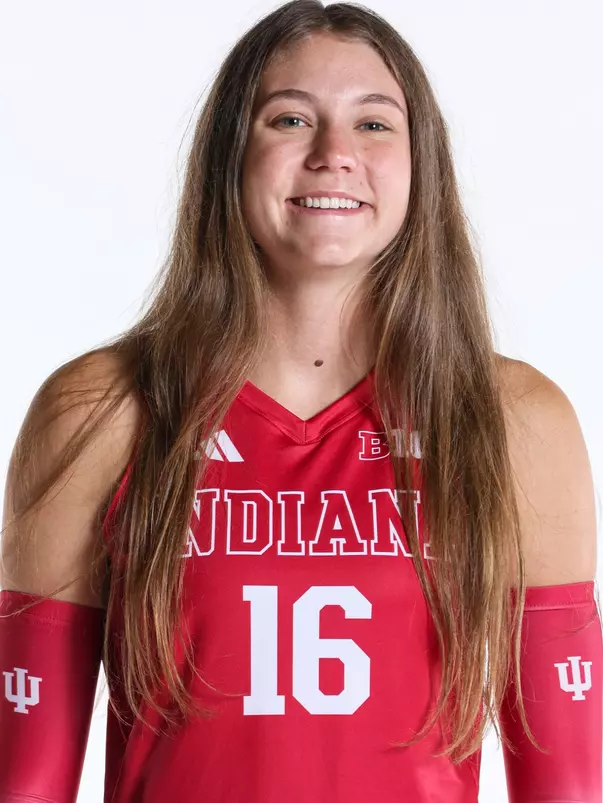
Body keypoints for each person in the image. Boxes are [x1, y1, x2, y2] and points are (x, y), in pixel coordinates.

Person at [0, 1, 600, 801]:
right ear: (230, 155)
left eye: (375, 125)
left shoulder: (510, 419)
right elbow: (23, 780)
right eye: (289, 118)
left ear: (421, 165)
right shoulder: (102, 409)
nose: (334, 155)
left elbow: (566, 783)